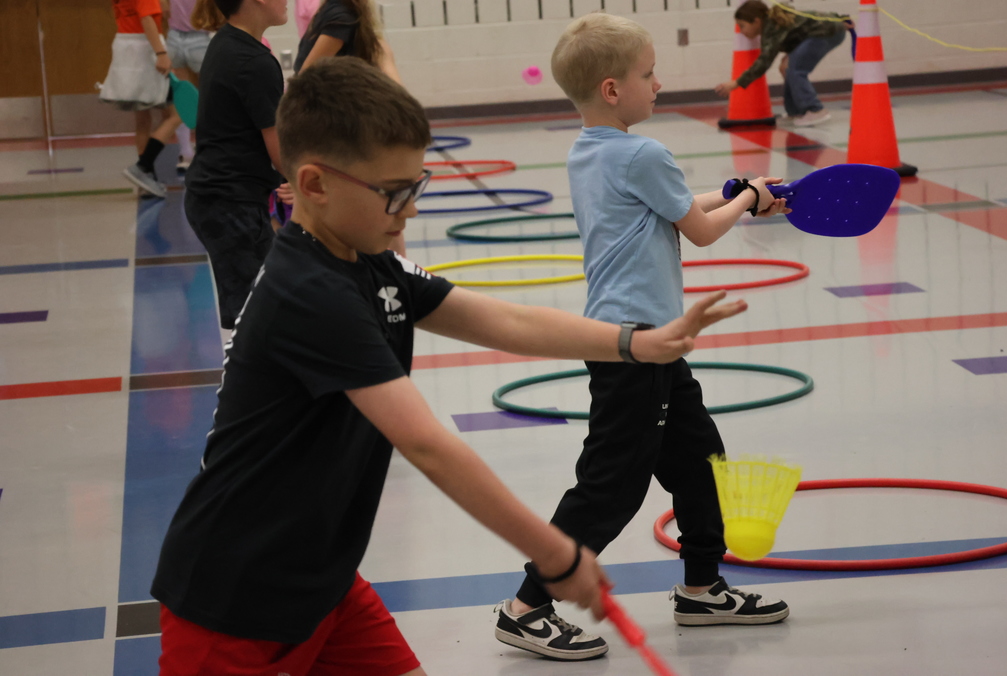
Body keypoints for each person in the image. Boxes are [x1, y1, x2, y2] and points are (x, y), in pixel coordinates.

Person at [150, 56, 749, 676]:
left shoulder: (368, 263)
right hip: (236, 597)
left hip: (323, 576)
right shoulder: (311, 294)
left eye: (417, 187)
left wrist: (636, 344)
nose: (409, 212)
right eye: (394, 194)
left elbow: (505, 321)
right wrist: (555, 553)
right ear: (315, 184)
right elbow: (427, 444)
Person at [493, 13, 791, 662]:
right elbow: (700, 231)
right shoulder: (644, 153)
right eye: (648, 73)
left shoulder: (590, 150)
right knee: (611, 484)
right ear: (612, 89)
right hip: (634, 346)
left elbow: (673, 206)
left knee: (701, 461)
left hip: (648, 344)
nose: (657, 84)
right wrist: (748, 201)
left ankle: (702, 588)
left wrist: (739, 192)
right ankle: (526, 605)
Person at [183, 0, 292, 334]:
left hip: (217, 196)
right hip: (230, 204)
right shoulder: (254, 62)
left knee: (265, 306)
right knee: (258, 316)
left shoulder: (226, 42)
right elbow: (281, 153)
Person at [293, 0, 406, 253]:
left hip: (346, 128)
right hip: (333, 133)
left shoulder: (351, 12)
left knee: (388, 215)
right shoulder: (342, 17)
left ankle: (397, 268)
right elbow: (305, 77)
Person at [715, 0, 851, 127]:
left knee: (795, 70)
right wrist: (840, 18)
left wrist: (736, 83)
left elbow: (764, 62)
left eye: (742, 26)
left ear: (756, 21)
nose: (741, 31)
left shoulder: (771, 28)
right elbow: (809, 17)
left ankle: (816, 110)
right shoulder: (772, 22)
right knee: (786, 68)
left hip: (825, 34)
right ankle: (795, 112)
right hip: (824, 31)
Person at [102, 0, 184, 197]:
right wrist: (161, 54)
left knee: (142, 119)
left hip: (126, 49)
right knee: (176, 115)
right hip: (147, 51)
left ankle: (147, 179)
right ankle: (143, 166)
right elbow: (147, 18)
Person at [165, 0, 212, 173]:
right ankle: (207, 149)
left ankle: (185, 153)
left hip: (174, 39)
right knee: (208, 97)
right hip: (199, 38)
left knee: (183, 99)